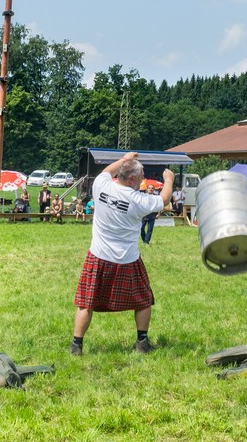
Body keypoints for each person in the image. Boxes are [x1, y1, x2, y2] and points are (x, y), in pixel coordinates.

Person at [71, 152, 173, 356]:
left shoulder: (101, 185)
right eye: (142, 176)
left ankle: (76, 345)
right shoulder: (139, 201)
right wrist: (169, 179)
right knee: (143, 300)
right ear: (133, 179)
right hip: (127, 259)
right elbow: (164, 199)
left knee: (86, 302)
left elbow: (106, 171)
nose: (144, 179)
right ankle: (142, 343)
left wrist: (124, 159)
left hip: (98, 256)